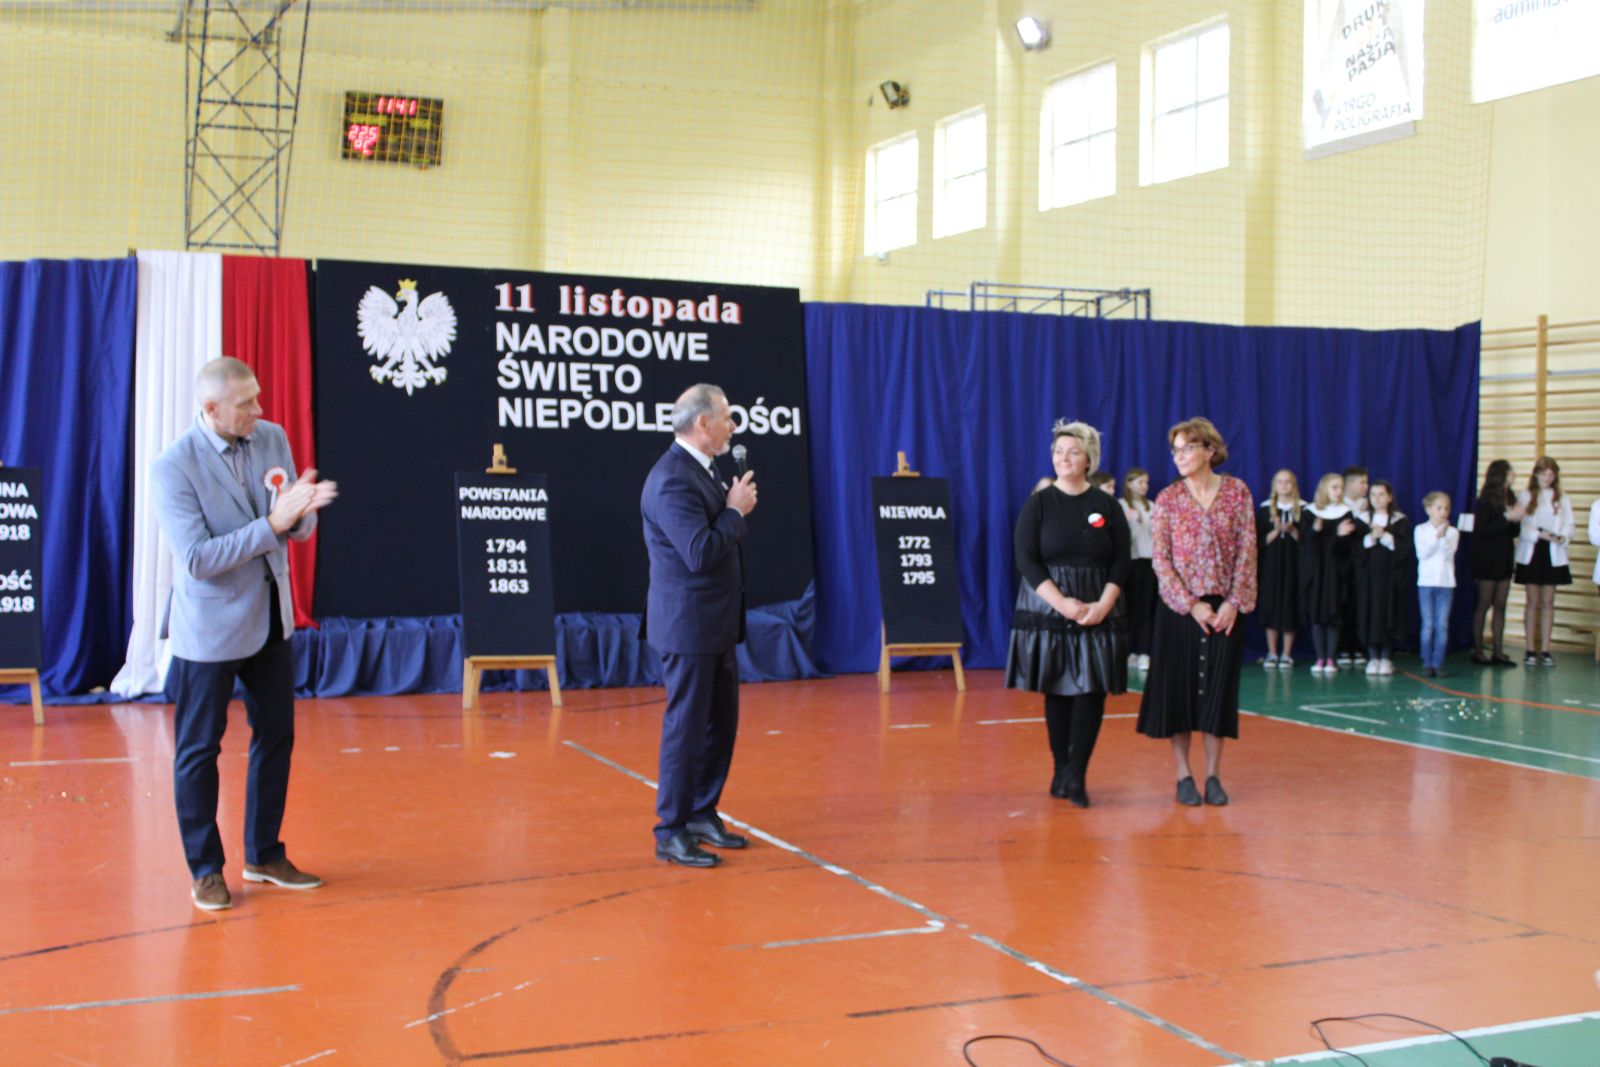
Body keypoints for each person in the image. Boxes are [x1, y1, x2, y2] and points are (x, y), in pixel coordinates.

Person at [151, 357, 337, 911]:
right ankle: (206, 870)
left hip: (271, 618)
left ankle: (264, 854)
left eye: (257, 396)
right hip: (208, 630)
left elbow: (294, 525)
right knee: (198, 750)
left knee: (276, 735)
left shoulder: (271, 436)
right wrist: (272, 525)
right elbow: (198, 559)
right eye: (245, 403)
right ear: (211, 409)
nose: (259, 409)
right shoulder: (173, 467)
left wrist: (300, 514)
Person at [640, 384, 758, 867]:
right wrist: (734, 511)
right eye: (727, 417)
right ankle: (670, 829)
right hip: (688, 628)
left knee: (720, 726)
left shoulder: (702, 469)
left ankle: (701, 812)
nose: (733, 426)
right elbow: (699, 553)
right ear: (703, 423)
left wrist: (729, 509)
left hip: (715, 624)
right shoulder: (672, 479)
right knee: (686, 730)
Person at [1006, 420, 1129, 807]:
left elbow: (1121, 560)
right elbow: (1026, 559)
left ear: (1089, 459)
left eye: (1073, 452)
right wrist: (1061, 603)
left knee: (1091, 690)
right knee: (1057, 689)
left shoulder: (1106, 506)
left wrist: (1103, 604)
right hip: (1049, 605)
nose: (1064, 458)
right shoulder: (1039, 504)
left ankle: (1078, 774)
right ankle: (1061, 768)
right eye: (1059, 451)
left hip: (1097, 605)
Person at [1137, 417, 1256, 807]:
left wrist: (1234, 602)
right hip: (1180, 610)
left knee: (1217, 693)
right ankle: (1183, 775)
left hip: (1225, 609)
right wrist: (1191, 605)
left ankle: (1214, 776)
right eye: (1175, 450)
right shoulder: (1169, 499)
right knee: (1179, 693)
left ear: (1210, 450)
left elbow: (1247, 551)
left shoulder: (1237, 492)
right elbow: (1161, 560)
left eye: (1188, 448)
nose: (1180, 456)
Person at [1514, 456, 1574, 667]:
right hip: (1532, 551)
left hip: (1553, 551)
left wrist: (1561, 537)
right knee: (1532, 601)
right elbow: (1520, 525)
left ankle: (1546, 650)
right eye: (1544, 474)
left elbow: (1569, 524)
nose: (1547, 478)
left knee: (1548, 602)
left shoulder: (1562, 497)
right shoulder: (1526, 495)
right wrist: (1538, 534)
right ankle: (1530, 649)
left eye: (1551, 474)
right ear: (1536, 474)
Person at [1300, 472, 1358, 674]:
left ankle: (1331, 658)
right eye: (1334, 487)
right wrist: (1315, 532)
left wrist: (1338, 536)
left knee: (1334, 616)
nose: (1338, 491)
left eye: (1341, 488)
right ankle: (1320, 657)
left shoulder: (1345, 513)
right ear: (1324, 489)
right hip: (1316, 575)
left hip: (1336, 574)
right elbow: (1306, 546)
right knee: (1317, 617)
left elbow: (1347, 549)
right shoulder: (1310, 513)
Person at [1469, 459, 1525, 666]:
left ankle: (1498, 651)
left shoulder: (1510, 497)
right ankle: (1478, 650)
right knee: (1484, 603)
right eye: (1510, 471)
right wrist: (1507, 517)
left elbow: (1513, 532)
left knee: (1501, 604)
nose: (1514, 474)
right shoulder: (1485, 500)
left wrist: (1516, 519)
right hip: (1487, 557)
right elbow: (1483, 530)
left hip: (1504, 556)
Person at [1353, 479, 1412, 675]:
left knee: (1389, 613)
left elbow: (1404, 550)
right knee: (1369, 613)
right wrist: (1371, 538)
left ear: (1389, 497)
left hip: (1390, 579)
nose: (1377, 499)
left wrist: (1385, 537)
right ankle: (1372, 657)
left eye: (1381, 494)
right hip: (1368, 579)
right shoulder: (1362, 520)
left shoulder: (1399, 521)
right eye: (1373, 495)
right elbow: (1355, 550)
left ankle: (1386, 657)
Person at [1256, 469, 1303, 669]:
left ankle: (1287, 653)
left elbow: (1307, 542)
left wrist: (1291, 530)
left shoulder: (1302, 509)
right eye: (1280, 482)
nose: (1284, 486)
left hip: (1293, 566)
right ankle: (1272, 652)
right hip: (1271, 567)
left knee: (1290, 605)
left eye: (1288, 482)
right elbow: (1257, 541)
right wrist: (1276, 531)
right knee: (1271, 605)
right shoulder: (1265, 509)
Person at [1414, 491, 1459, 677]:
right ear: (1429, 509)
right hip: (1426, 582)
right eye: (1439, 508)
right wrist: (1436, 537)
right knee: (1428, 624)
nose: (1443, 512)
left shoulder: (1453, 532)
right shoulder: (1420, 530)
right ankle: (1427, 662)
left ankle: (1438, 662)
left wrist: (1443, 538)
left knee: (1442, 625)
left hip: (1446, 583)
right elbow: (1422, 554)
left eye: (1446, 508)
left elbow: (1449, 555)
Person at [1120, 467, 1156, 672]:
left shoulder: (1152, 506)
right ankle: (1127, 652)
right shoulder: (1122, 505)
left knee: (1145, 608)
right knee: (1130, 608)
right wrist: (1136, 523)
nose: (1144, 486)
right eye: (1140, 482)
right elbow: (1124, 538)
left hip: (1149, 562)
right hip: (1131, 562)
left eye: (1146, 482)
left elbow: (1157, 536)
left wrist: (1146, 523)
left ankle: (1144, 652)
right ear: (1129, 483)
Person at [1337, 465, 1371, 668]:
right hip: (1343, 566)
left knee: (1362, 606)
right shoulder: (1339, 507)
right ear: (1349, 484)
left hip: (1365, 565)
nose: (1366, 487)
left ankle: (1360, 646)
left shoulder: (1369, 506)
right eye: (1362, 482)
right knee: (1343, 605)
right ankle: (1343, 648)